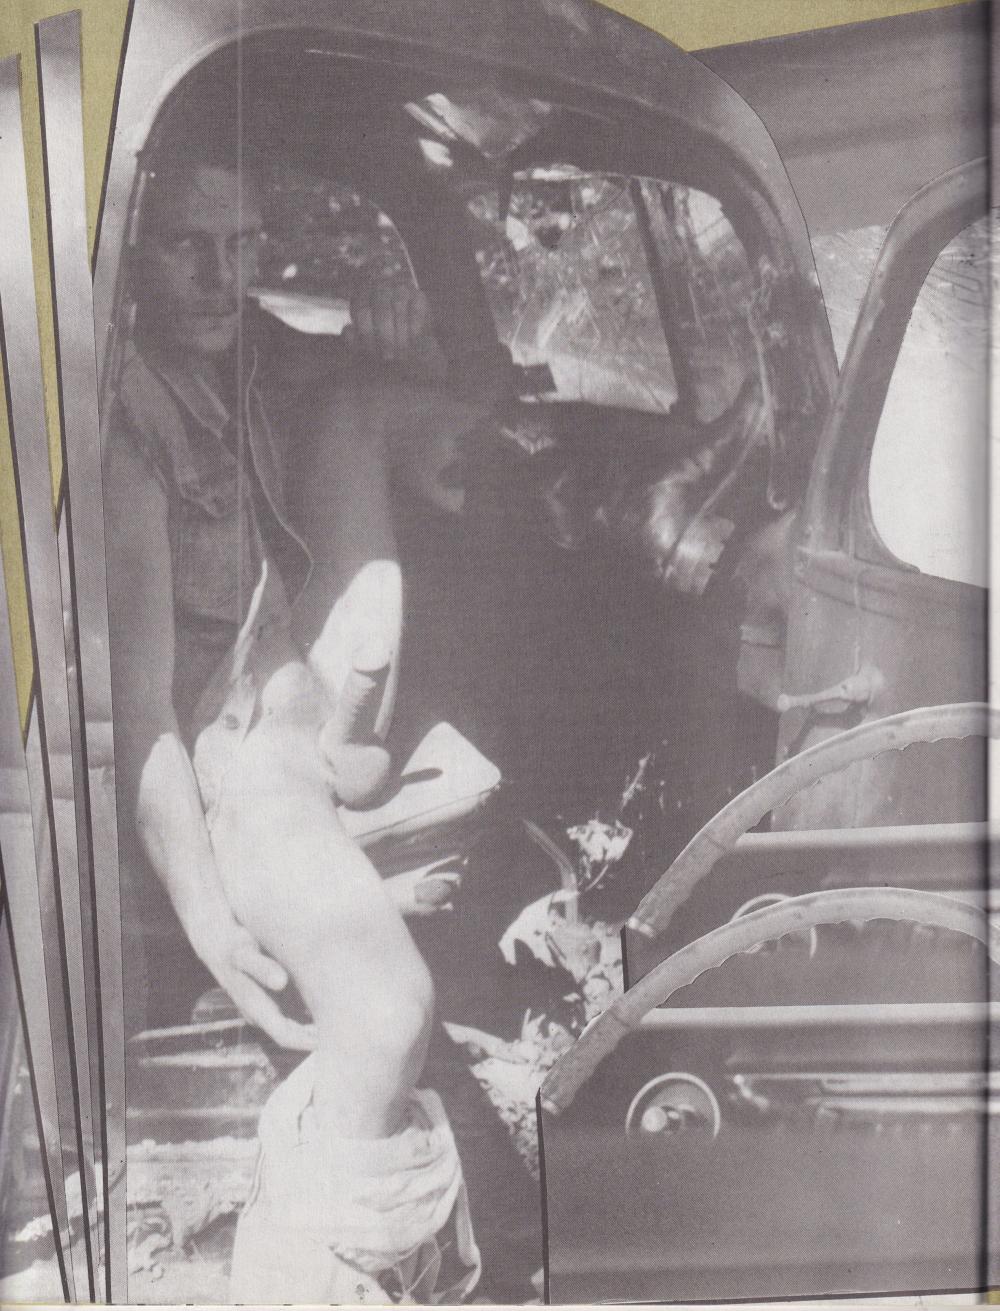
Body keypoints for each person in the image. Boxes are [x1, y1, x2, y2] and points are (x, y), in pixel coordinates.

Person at [105, 140, 489, 1301]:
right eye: (189, 248)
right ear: (128, 254)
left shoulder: (246, 348)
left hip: (306, 695)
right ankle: (303, 1267)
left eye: (243, 246)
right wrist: (210, 917)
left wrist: (412, 340)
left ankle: (356, 731)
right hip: (242, 754)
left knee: (366, 404)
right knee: (386, 1013)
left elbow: (457, 405)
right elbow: (141, 713)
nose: (223, 277)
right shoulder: (122, 425)